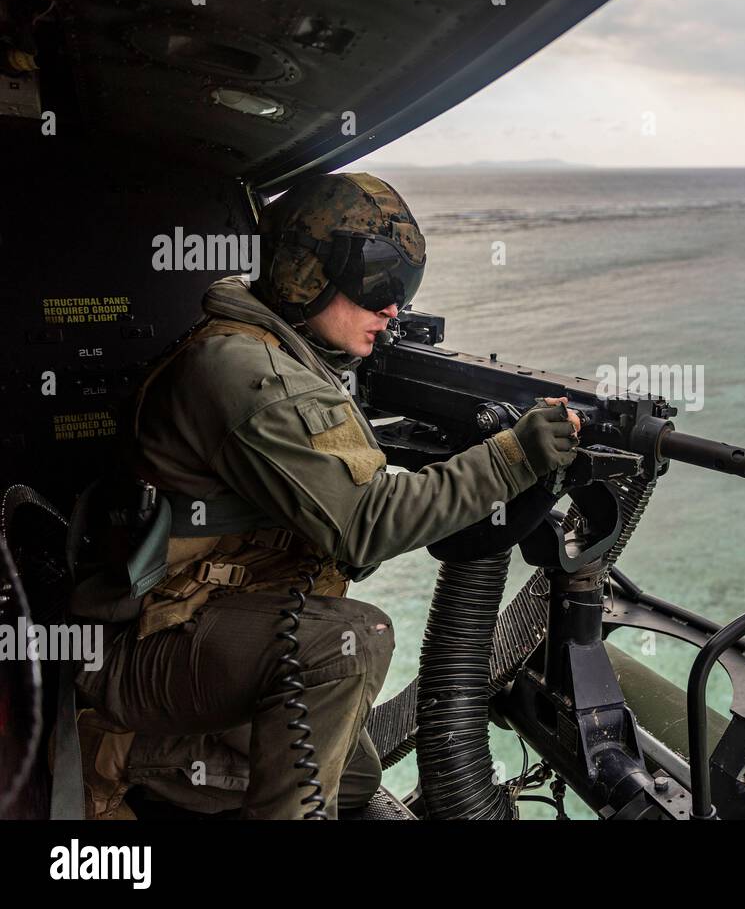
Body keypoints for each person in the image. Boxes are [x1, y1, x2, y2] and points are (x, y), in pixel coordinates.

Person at [72, 172, 580, 818]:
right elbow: (365, 528)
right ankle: (119, 752)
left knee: (354, 780)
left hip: (208, 623)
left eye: (406, 288)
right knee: (353, 641)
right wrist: (512, 456)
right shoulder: (240, 371)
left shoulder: (287, 357)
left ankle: (147, 759)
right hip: (139, 647)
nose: (395, 308)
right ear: (306, 274)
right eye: (379, 285)